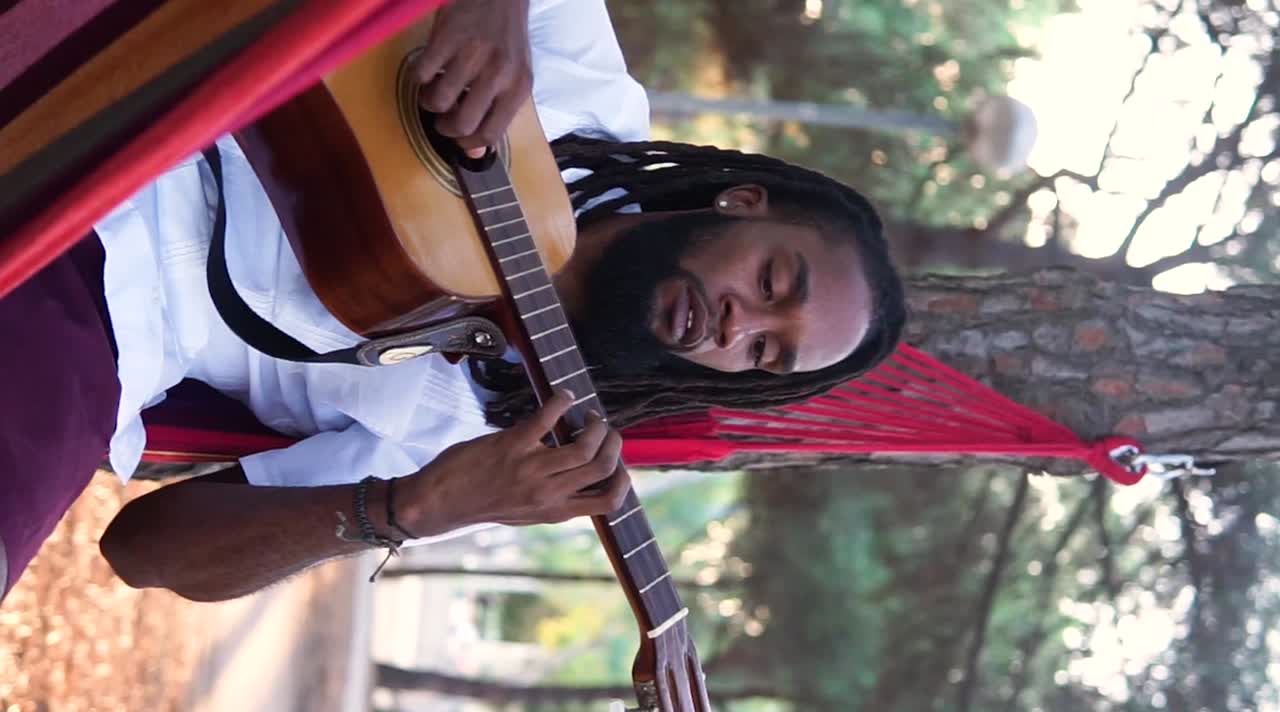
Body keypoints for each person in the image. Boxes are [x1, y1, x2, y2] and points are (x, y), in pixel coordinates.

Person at [0, 0, 906, 603]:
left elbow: (144, 549)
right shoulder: (588, 99)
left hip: (97, 317)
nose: (739, 323)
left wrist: (405, 508)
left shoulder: (498, 438)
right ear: (742, 203)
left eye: (764, 352)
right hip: (142, 58)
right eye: (772, 283)